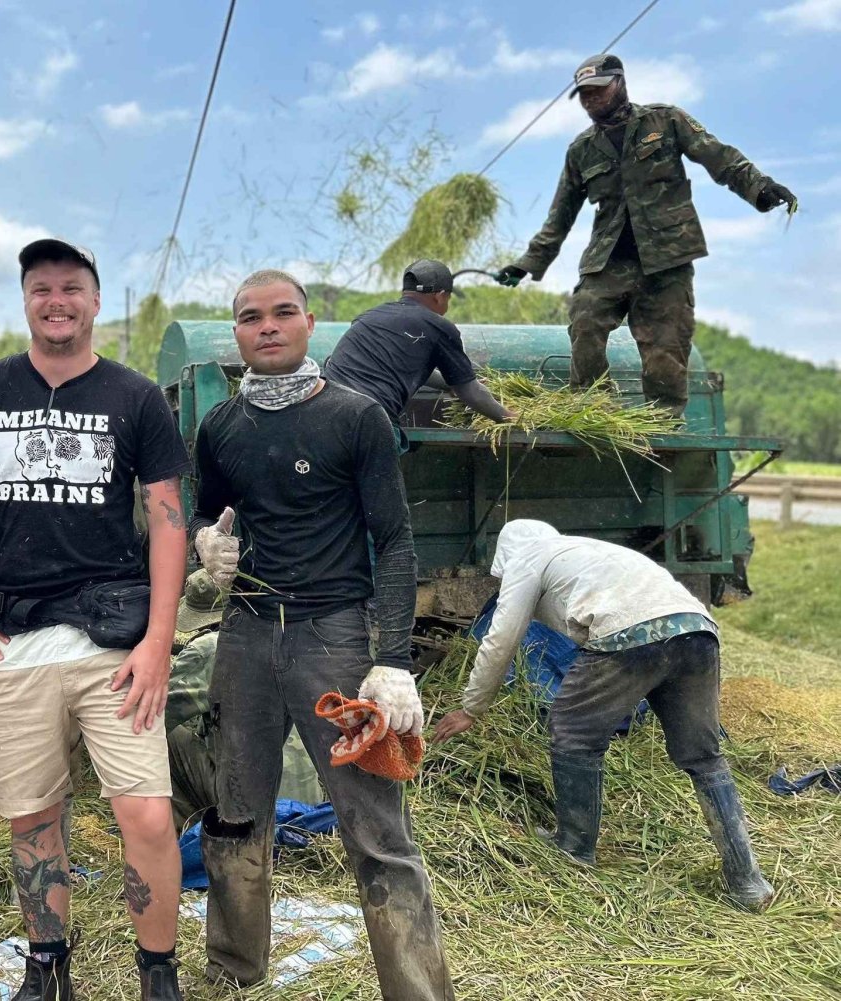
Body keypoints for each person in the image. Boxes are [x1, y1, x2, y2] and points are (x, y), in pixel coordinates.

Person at [0, 239, 190, 1001]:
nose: (57, 302)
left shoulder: (135, 396)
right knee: (31, 820)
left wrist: (160, 641)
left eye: (72, 289)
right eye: (42, 289)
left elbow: (167, 521)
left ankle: (158, 974)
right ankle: (47, 966)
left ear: (96, 300)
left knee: (148, 815)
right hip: (14, 639)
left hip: (114, 644)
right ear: (25, 302)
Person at [191, 269, 453, 999]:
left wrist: (392, 660)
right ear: (236, 333)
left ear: (309, 324)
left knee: (376, 830)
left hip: (333, 636)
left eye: (282, 313)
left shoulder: (355, 416)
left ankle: (417, 991)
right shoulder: (221, 428)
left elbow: (395, 541)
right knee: (237, 811)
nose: (267, 326)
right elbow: (203, 513)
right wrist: (205, 546)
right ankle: (233, 970)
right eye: (250, 316)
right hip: (244, 636)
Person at [433, 519, 775, 912]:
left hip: (628, 636)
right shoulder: (588, 551)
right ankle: (747, 881)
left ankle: (574, 849)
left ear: (506, 554)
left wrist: (471, 708)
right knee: (704, 757)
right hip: (696, 631)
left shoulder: (527, 558)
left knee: (573, 732)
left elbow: (501, 639)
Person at [495, 54, 796, 416]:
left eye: (598, 90)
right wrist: (527, 263)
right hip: (609, 262)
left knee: (664, 355)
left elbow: (719, 157)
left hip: (666, 260)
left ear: (619, 83)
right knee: (585, 322)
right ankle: (592, 410)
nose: (591, 99)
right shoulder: (581, 150)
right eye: (584, 95)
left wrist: (759, 188)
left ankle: (662, 426)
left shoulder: (665, 120)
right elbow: (560, 215)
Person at [165, 569, 325, 827]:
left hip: (253, 807)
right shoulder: (284, 634)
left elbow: (159, 715)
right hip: (306, 804)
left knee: (162, 737)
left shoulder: (210, 647)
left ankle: (184, 829)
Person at [322, 259, 512, 448]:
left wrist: (448, 384)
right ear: (440, 296)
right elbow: (470, 392)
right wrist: (510, 418)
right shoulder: (438, 326)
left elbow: (401, 365)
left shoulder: (369, 316)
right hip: (365, 421)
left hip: (321, 411)